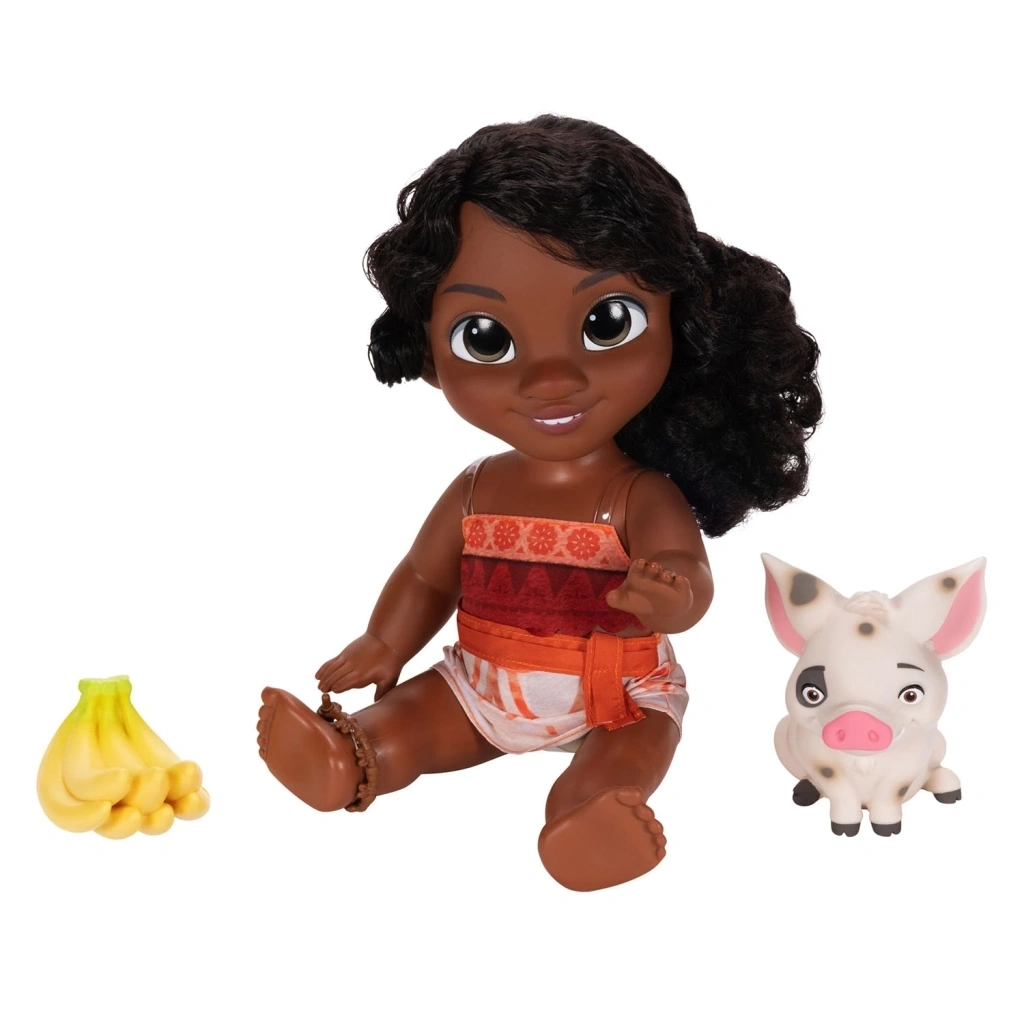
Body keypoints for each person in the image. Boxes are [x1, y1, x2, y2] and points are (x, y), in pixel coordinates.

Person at [257, 115, 822, 891]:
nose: (551, 379)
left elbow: (685, 569)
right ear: (429, 353)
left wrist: (672, 594)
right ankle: (351, 757)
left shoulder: (637, 492)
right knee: (409, 724)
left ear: (678, 326)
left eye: (606, 324)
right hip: (480, 683)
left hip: (615, 692)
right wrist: (386, 643)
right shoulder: (476, 489)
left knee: (624, 753)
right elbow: (425, 576)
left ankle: (586, 817)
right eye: (486, 338)